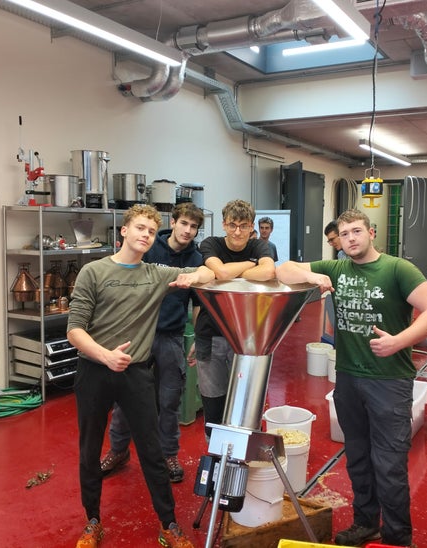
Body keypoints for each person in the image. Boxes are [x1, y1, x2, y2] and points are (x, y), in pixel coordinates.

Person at [276, 209, 427, 548]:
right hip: (349, 380)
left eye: (356, 231)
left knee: (389, 463)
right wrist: (313, 277)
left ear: (371, 233)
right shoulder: (336, 269)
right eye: (344, 234)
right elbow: (283, 269)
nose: (351, 238)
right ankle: (366, 523)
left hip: (389, 381)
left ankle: (397, 537)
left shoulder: (397, 269)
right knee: (357, 458)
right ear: (338, 241)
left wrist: (399, 341)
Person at [67, 204, 214, 548]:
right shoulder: (93, 271)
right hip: (94, 369)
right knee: (90, 449)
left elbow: (208, 272)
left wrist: (193, 277)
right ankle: (92, 521)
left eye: (150, 230)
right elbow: (74, 330)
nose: (146, 235)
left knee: (151, 449)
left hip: (135, 373)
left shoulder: (156, 274)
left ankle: (169, 524)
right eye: (140, 228)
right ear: (124, 230)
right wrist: (106, 356)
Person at [99, 203, 205, 484]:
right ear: (174, 222)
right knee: (125, 397)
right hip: (137, 335)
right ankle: (118, 450)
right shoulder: (150, 247)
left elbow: (197, 302)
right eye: (184, 223)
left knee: (170, 401)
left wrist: (197, 337)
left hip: (171, 337)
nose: (188, 230)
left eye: (194, 227)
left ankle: (168, 455)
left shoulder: (197, 257)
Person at [194, 199, 276, 437]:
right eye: (232, 225)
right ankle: (215, 450)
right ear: (224, 224)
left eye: (244, 225)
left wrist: (230, 272)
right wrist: (250, 265)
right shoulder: (211, 244)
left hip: (247, 337)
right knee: (213, 400)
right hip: (210, 335)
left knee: (248, 399)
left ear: (252, 226)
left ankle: (247, 449)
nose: (238, 232)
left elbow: (268, 271)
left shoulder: (260, 246)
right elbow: (220, 272)